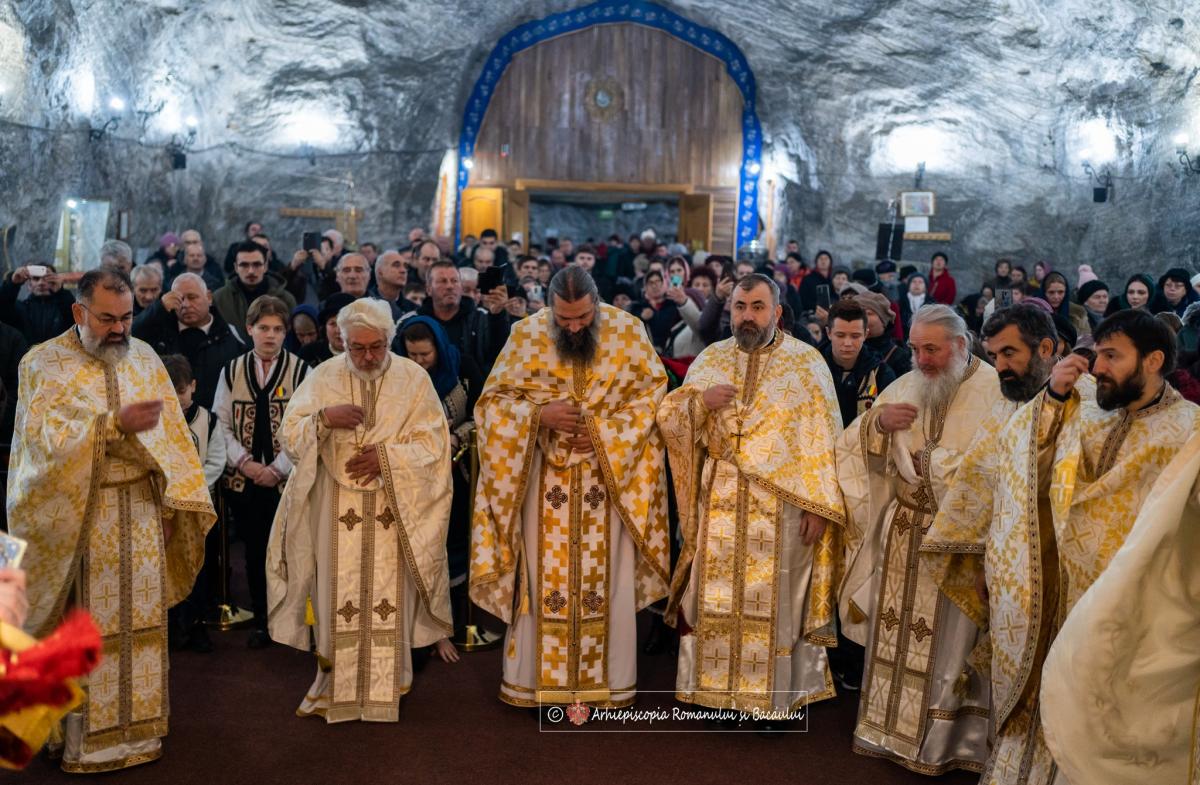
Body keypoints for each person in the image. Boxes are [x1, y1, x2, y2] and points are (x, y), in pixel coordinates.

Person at [926, 308, 1199, 784]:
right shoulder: (1086, 406)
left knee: (1102, 714)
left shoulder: (1189, 430)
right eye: (1100, 355)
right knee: (1046, 694)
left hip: (1131, 603)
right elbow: (1024, 459)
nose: (1099, 368)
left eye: (1113, 357)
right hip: (1059, 590)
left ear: (1153, 360)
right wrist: (1052, 397)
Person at [8, 268, 215, 772]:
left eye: (126, 318)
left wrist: (171, 505)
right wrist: (109, 426)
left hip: (142, 513)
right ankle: (84, 740)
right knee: (90, 627)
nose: (120, 329)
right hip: (82, 517)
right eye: (107, 319)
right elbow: (42, 444)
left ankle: (138, 731)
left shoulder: (144, 358)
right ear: (80, 312)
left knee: (141, 626)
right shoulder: (43, 363)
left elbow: (175, 442)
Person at [471, 266, 670, 710]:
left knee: (609, 582)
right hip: (544, 485)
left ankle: (609, 684)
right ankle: (536, 685)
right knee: (543, 584)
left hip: (609, 482)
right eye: (564, 320)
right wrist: (538, 417)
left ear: (597, 305)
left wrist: (604, 433)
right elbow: (491, 406)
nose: (575, 327)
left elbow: (654, 398)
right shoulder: (525, 336)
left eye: (582, 318)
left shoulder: (628, 331)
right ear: (549, 308)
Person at [657, 274, 845, 725]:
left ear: (777, 312)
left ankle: (771, 706)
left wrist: (820, 508)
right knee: (716, 599)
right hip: (720, 499)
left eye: (758, 307)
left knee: (774, 603)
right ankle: (718, 696)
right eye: (740, 306)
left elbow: (824, 443)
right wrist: (700, 402)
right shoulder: (711, 358)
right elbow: (669, 419)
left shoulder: (807, 364)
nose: (747, 316)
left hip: (782, 510)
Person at [267, 298, 458, 722]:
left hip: (394, 506)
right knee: (337, 595)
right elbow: (290, 436)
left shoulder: (413, 379)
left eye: (377, 346)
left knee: (389, 599)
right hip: (334, 506)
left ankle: (386, 687)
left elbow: (434, 446)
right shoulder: (323, 377)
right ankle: (335, 686)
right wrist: (323, 419)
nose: (368, 357)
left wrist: (387, 459)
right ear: (343, 340)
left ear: (390, 339)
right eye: (358, 348)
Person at [836, 304, 1002, 775]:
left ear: (960, 345)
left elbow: (993, 470)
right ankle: (885, 729)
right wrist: (876, 425)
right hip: (904, 533)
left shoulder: (994, 393)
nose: (922, 359)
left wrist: (930, 464)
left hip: (956, 544)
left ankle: (945, 745)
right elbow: (852, 443)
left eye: (932, 349)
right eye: (915, 348)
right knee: (894, 633)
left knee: (949, 645)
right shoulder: (905, 386)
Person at [1040, 430, 1200, 785]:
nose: (1099, 371)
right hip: (1105, 593)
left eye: (1112, 366)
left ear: (1153, 367)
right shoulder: (1088, 415)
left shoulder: (1184, 422)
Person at [214, 296, 309, 649]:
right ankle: (263, 619)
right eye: (263, 328)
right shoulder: (231, 370)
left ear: (286, 333)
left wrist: (278, 468)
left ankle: (294, 620)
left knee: (292, 549)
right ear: (249, 329)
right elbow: (220, 424)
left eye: (278, 329)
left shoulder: (302, 371)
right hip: (246, 479)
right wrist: (246, 464)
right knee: (254, 552)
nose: (270, 336)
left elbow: (306, 426)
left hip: (286, 480)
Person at [395, 318, 483, 638]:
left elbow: (482, 413)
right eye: (412, 355)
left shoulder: (463, 367)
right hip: (410, 474)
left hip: (454, 470)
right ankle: (421, 622)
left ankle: (456, 618)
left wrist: (456, 437)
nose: (418, 362)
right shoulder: (396, 373)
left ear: (439, 349)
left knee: (454, 538)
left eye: (425, 355)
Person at [132, 273, 245, 409]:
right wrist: (159, 308)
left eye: (192, 297)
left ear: (208, 297)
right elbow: (129, 336)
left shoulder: (230, 333)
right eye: (179, 299)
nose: (185, 305)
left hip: (216, 419)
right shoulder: (160, 332)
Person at [397, 260, 510, 375]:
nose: (450, 286)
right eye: (442, 281)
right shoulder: (410, 321)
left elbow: (501, 355)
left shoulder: (482, 318)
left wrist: (498, 315)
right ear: (429, 289)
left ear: (461, 287)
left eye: (454, 281)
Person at [822, 299, 898, 429]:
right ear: (829, 333)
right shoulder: (813, 368)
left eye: (855, 336)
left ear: (865, 334)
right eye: (840, 335)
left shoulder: (881, 374)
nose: (847, 343)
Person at [214, 241, 297, 343]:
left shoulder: (285, 299)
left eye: (256, 264)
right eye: (244, 265)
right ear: (236, 267)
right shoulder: (220, 299)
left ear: (265, 266)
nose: (251, 271)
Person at [0, 263, 76, 345]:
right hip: (26, 357)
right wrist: (12, 284)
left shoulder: (64, 306)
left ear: (55, 280)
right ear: (29, 285)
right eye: (36, 278)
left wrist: (61, 292)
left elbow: (75, 322)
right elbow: (3, 312)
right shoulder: (19, 308)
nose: (41, 283)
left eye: (47, 278)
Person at [1040, 271, 1090, 337]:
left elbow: (1085, 341)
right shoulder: (1035, 312)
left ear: (1066, 293)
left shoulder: (1079, 314)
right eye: (1051, 292)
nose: (1056, 297)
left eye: (1060, 292)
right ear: (1044, 293)